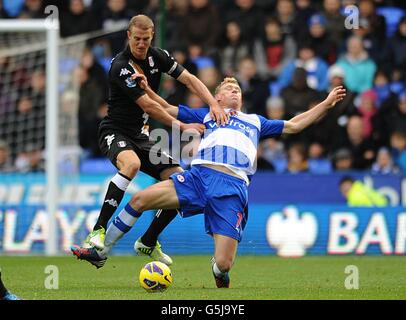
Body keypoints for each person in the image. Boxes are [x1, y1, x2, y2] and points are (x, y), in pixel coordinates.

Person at [72, 76, 346, 287]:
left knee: (225, 264)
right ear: (216, 96)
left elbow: (294, 125)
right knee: (139, 199)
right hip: (198, 178)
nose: (234, 90)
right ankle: (102, 251)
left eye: (237, 88)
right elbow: (166, 108)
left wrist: (326, 103)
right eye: (228, 88)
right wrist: (145, 89)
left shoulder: (255, 121)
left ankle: (218, 271)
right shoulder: (206, 114)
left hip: (232, 188)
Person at [81, 15, 228, 266]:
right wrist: (182, 126)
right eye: (137, 39)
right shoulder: (121, 66)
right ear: (128, 36)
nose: (141, 44)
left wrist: (213, 103)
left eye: (146, 39)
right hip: (115, 131)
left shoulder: (157, 56)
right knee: (131, 165)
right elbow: (148, 104)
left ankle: (148, 241)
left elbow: (189, 79)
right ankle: (98, 231)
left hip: (142, 135)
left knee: (181, 181)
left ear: (152, 38)